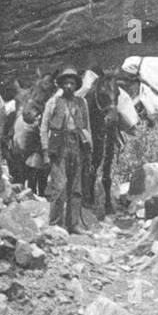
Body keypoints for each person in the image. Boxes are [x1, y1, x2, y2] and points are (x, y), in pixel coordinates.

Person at [41, 67, 92, 231]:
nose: (69, 86)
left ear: (76, 85)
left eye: (72, 83)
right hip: (58, 146)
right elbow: (43, 127)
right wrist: (45, 150)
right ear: (61, 85)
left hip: (76, 144)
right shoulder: (53, 102)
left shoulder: (82, 103)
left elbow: (87, 127)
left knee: (76, 188)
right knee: (60, 186)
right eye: (66, 83)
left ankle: (74, 224)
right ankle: (55, 223)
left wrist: (89, 147)